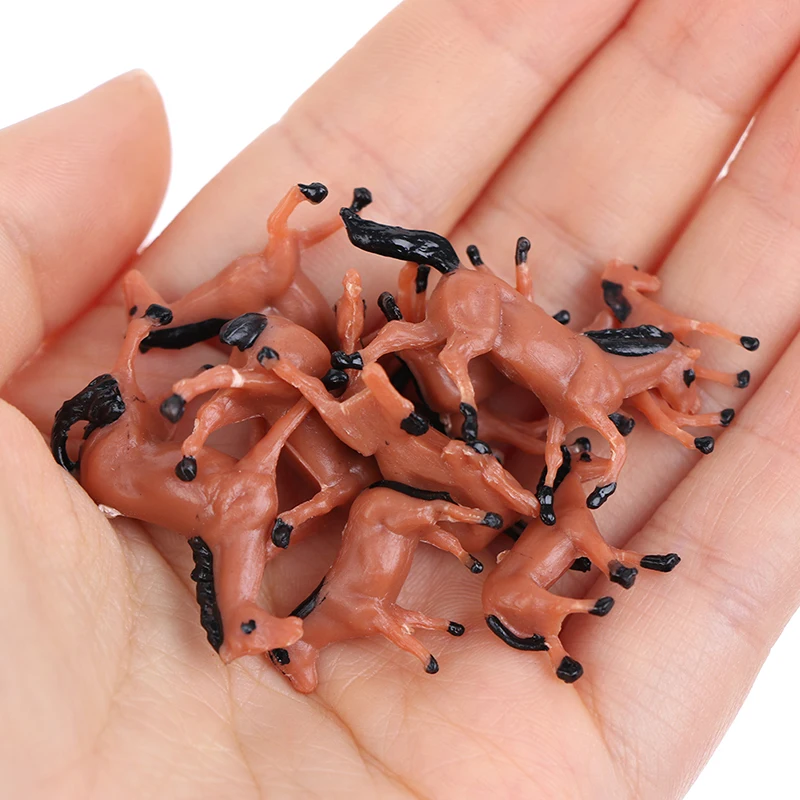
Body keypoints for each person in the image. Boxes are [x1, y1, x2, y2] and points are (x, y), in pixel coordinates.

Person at [2, 1, 800, 796]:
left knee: (348, 486)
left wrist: (489, 461)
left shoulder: (384, 457)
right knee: (325, 477)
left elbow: (381, 454)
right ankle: (193, 359)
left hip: (383, 457)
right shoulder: (336, 425)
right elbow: (325, 420)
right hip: (357, 447)